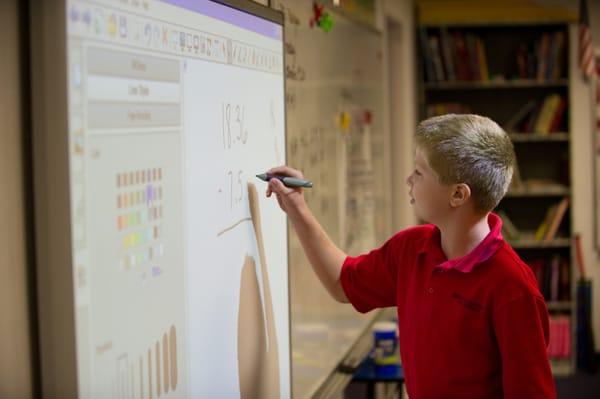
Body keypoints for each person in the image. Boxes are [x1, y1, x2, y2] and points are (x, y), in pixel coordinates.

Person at [265, 114, 556, 398]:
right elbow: (343, 282)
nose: (408, 179)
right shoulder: (411, 248)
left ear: (458, 195)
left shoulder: (512, 288)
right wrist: (297, 208)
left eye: (419, 172)